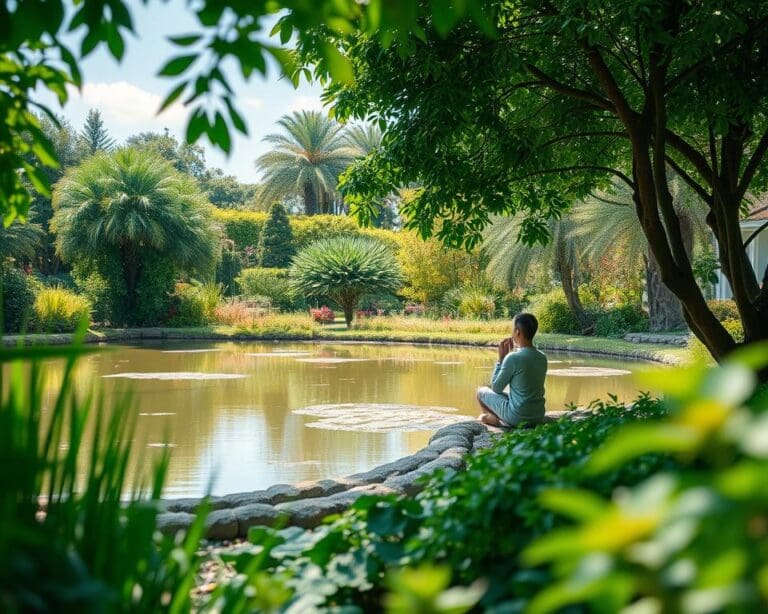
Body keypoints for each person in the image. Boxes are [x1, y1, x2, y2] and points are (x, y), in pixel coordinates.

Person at [476, 313, 547, 427]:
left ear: (517, 331)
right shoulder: (542, 356)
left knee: (481, 391)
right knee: (510, 395)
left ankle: (496, 420)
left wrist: (501, 360)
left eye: (513, 329)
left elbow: (496, 387)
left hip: (518, 417)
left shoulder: (513, 357)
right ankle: (497, 418)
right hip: (538, 415)